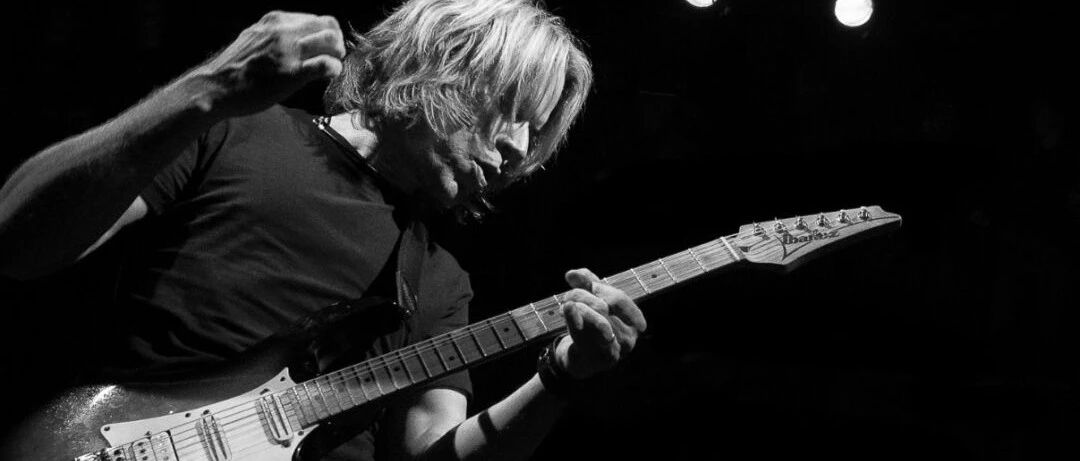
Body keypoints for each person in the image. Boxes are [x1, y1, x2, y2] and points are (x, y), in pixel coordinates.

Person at [0, 0, 647, 460]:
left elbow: (429, 451)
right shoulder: (236, 133)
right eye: (515, 110)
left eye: (537, 134)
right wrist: (207, 89)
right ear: (447, 62)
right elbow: (17, 241)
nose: (520, 148)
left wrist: (559, 377)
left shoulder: (438, 279)